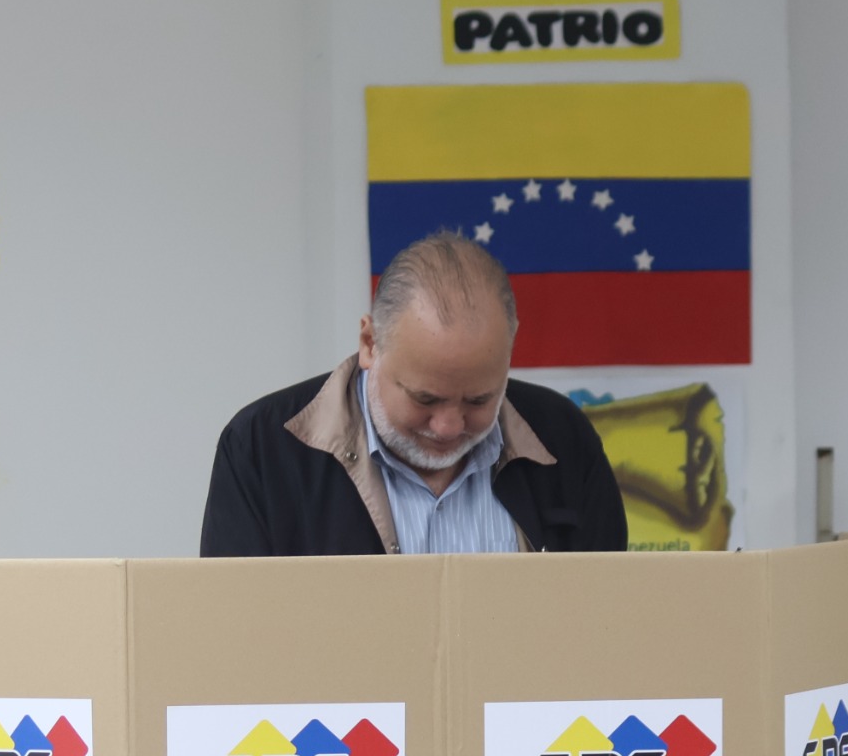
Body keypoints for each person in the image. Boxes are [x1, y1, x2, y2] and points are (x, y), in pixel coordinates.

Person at [201, 230, 626, 556]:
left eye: (479, 400)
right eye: (425, 399)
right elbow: (237, 631)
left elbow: (609, 618)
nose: (448, 426)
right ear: (370, 343)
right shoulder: (260, 449)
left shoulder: (564, 438)